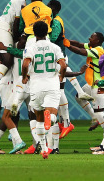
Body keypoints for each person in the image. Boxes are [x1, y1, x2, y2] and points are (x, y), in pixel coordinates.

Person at [47, 0, 94, 140]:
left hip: (58, 58)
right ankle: (64, 122)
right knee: (59, 91)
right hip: (57, 58)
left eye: (49, 7)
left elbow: (54, 38)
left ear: (54, 8)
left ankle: (66, 123)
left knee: (59, 91)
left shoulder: (55, 22)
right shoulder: (53, 20)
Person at [22, 21, 67, 159]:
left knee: (39, 120)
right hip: (52, 85)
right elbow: (63, 65)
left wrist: (24, 76)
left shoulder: (31, 48)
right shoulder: (55, 47)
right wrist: (61, 75)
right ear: (47, 31)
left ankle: (44, 149)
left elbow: (25, 64)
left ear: (34, 33)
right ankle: (51, 119)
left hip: (36, 86)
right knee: (52, 115)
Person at [65, 32, 104, 132]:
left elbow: (80, 51)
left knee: (100, 113)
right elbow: (79, 44)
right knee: (79, 97)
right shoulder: (93, 46)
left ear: (97, 41)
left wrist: (68, 45)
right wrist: (65, 40)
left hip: (99, 85)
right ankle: (94, 117)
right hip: (92, 84)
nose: (89, 38)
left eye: (92, 37)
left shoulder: (98, 50)